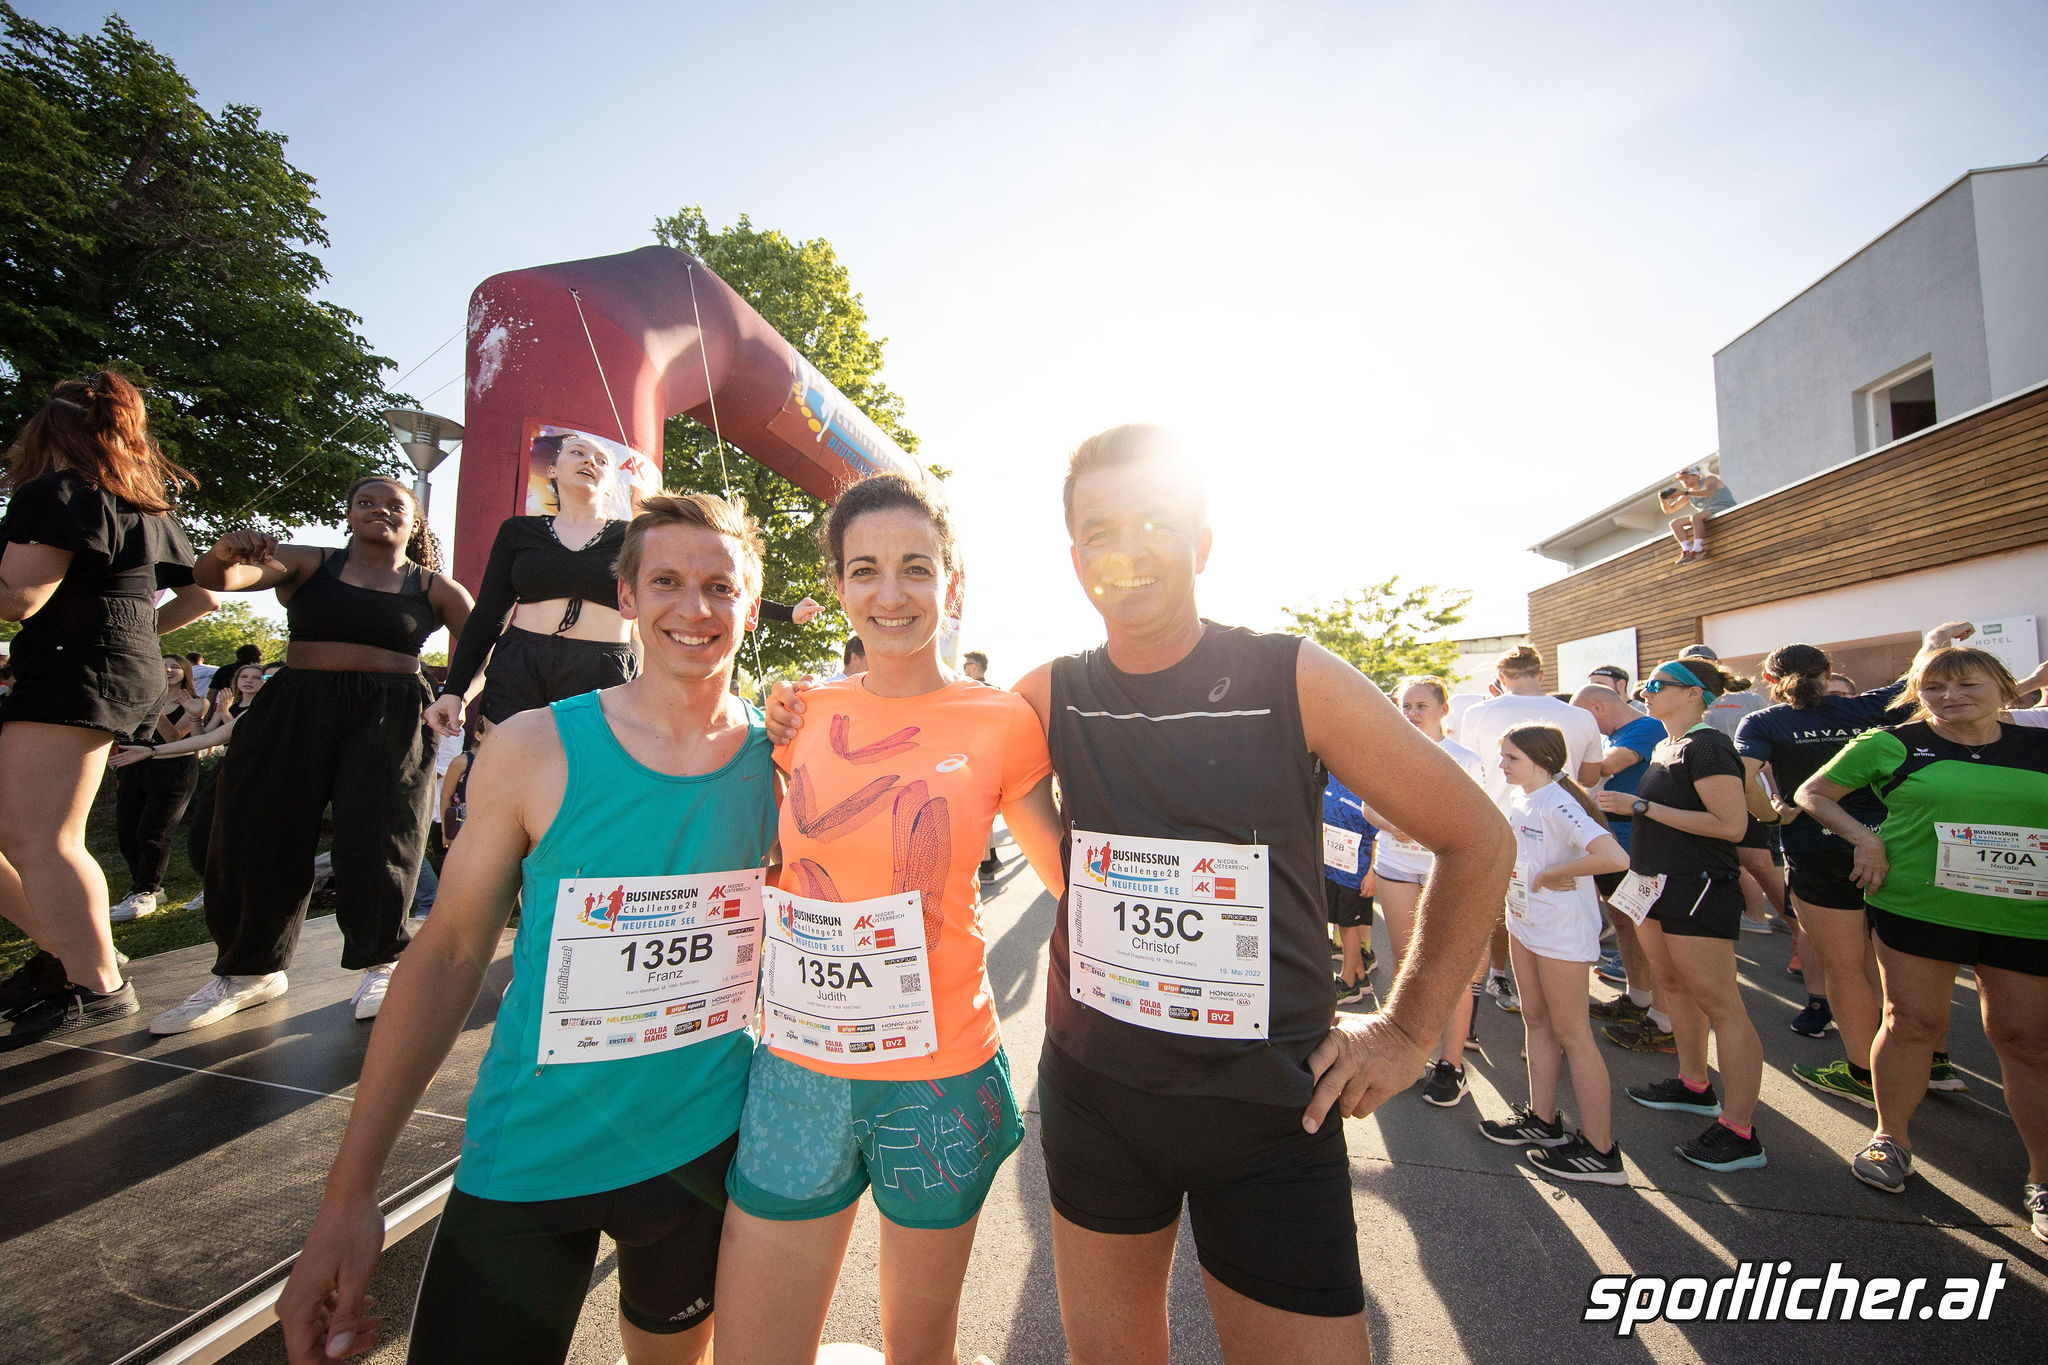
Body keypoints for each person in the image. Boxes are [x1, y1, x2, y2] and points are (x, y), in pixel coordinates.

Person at [765, 425, 1510, 1358]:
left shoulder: (1293, 676)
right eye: (1100, 532)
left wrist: (1406, 1031)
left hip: (1272, 1116)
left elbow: (1479, 837)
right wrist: (793, 715)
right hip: (1099, 1104)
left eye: (1154, 521)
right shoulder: (1045, 695)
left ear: (1203, 541)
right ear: (1076, 560)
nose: (1127, 549)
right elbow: (923, 727)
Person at [278, 494, 777, 1365]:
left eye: (720, 586)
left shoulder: (784, 763)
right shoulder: (533, 746)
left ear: (753, 605)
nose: (694, 607)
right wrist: (350, 1194)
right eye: (666, 580)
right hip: (530, 1154)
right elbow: (448, 955)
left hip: (701, 1151)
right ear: (627, 596)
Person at [713, 475, 1065, 1365]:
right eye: (864, 569)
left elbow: (1070, 877)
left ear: (951, 581)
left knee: (920, 1351)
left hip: (939, 1077)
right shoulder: (799, 713)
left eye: (916, 567)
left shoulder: (1003, 721)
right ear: (837, 585)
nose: (891, 592)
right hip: (800, 1069)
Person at [148, 477, 473, 1035]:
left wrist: (457, 695)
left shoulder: (437, 588)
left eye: (394, 504)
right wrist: (223, 555)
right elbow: (220, 579)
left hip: (390, 715)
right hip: (295, 706)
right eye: (365, 502)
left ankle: (382, 964)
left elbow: (480, 647)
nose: (379, 510)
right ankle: (249, 972)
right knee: (258, 829)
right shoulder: (306, 561)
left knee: (382, 836)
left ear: (415, 520)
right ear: (348, 514)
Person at [1797, 646, 2048, 1240]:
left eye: (1967, 684)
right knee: (1911, 1021)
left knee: (2025, 1039)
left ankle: (2043, 1176)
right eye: (1933, 687)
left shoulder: (2039, 745)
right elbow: (1813, 793)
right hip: (1917, 904)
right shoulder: (1894, 743)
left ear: (2004, 687)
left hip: (2023, 912)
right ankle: (1890, 1139)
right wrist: (1866, 838)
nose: (1950, 696)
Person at [0, 372, 217, 1043]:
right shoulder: (144, 508)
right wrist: (135, 639)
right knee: (33, 835)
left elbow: (17, 599)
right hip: (104, 667)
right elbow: (202, 597)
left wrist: (113, 639)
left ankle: (95, 984)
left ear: (48, 431)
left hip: (74, 668)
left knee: (44, 838)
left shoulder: (57, 494)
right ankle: (69, 952)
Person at [427, 433, 822, 735]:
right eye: (577, 452)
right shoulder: (518, 532)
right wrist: (455, 691)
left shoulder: (635, 536)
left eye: (601, 460)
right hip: (521, 664)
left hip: (602, 669)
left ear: (610, 481)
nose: (589, 461)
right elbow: (488, 615)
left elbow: (712, 582)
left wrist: (788, 612)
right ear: (553, 469)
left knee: (592, 785)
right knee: (505, 775)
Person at [1735, 624, 1965, 1101]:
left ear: (1769, 678)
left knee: (1844, 968)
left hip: (1816, 848)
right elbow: (1920, 673)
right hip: (1892, 844)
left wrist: (1772, 815)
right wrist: (1936, 639)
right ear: (1828, 673)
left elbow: (1742, 777)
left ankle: (1864, 1075)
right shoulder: (1868, 707)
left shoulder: (1763, 722)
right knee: (1909, 962)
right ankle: (1934, 1062)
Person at [1593, 656, 1768, 1171]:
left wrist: (1641, 808)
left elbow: (1731, 825)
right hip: (1654, 884)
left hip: (1698, 885)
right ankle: (1694, 1084)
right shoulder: (1667, 744)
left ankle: (1740, 1130)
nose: (1645, 692)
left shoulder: (1707, 744)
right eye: (1646, 684)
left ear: (1694, 694)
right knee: (1672, 985)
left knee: (1721, 1003)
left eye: (1657, 684)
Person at [1479, 723, 1630, 1183]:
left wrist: (1555, 874)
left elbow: (1614, 857)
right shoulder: (1523, 796)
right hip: (1527, 924)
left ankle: (1601, 1152)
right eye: (1503, 756)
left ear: (1542, 761)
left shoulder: (1559, 802)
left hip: (1561, 933)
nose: (1502, 765)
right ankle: (1543, 1121)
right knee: (1536, 1020)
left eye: (1512, 758)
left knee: (1573, 1035)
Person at [1354, 676, 1486, 1101]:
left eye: (1420, 706)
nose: (1411, 713)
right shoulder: (1388, 751)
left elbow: (1479, 817)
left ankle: (1451, 1065)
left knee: (1448, 965)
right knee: (1406, 961)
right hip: (1396, 866)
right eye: (1405, 706)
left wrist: (1428, 830)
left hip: (1443, 868)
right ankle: (1409, 1054)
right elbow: (1368, 806)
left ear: (1443, 710)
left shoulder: (1464, 759)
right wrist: (1395, 825)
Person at [1455, 644, 1603, 1014]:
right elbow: (1589, 777)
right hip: (1562, 829)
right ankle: (1561, 994)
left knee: (1503, 908)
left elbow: (1465, 768)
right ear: (1541, 674)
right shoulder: (1580, 716)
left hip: (1499, 825)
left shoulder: (1478, 713)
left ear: (1501, 677)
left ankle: (1499, 975)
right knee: (1555, 910)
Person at [1571, 684, 1675, 1052]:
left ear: (1597, 707)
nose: (1586, 728)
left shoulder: (1645, 727)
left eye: (1584, 719)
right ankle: (1638, 997)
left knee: (1650, 930)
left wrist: (1562, 754)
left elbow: (1603, 769)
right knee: (1625, 924)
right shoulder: (1615, 736)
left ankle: (1664, 1020)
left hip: (1638, 842)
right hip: (1614, 840)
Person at [107, 655, 209, 922]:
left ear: (185, 672)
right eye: (163, 665)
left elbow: (173, 736)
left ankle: (147, 890)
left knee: (153, 831)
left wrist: (152, 705)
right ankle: (142, 886)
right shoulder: (139, 698)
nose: (168, 669)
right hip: (134, 767)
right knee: (127, 831)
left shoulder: (195, 702)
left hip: (173, 770)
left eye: (175, 666)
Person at [1322, 772, 1378, 1006]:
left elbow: (1377, 838)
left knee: (1348, 927)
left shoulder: (1368, 787)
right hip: (1331, 868)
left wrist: (1372, 872)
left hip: (1355, 875)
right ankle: (1360, 977)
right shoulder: (1328, 777)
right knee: (1340, 924)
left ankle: (1348, 983)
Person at [1658, 466, 1735, 565]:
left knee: (1696, 517)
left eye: (1686, 478)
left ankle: (1698, 549)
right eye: (1681, 480)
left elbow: (1709, 492)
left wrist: (1685, 492)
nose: (1684, 481)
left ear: (1696, 476)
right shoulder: (1688, 494)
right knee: (1675, 523)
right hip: (1707, 514)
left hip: (1724, 507)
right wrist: (1663, 500)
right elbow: (1669, 510)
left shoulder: (1709, 480)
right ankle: (1687, 550)